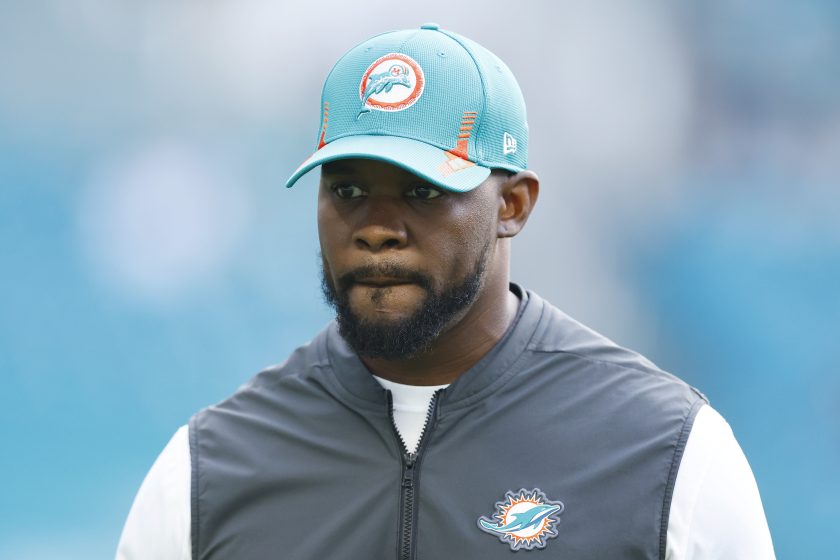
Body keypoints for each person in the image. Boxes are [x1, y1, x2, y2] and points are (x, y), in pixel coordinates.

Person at [116, 24, 775, 559]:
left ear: (513, 203)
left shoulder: (665, 453)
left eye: (422, 191)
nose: (376, 228)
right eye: (346, 190)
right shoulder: (207, 472)